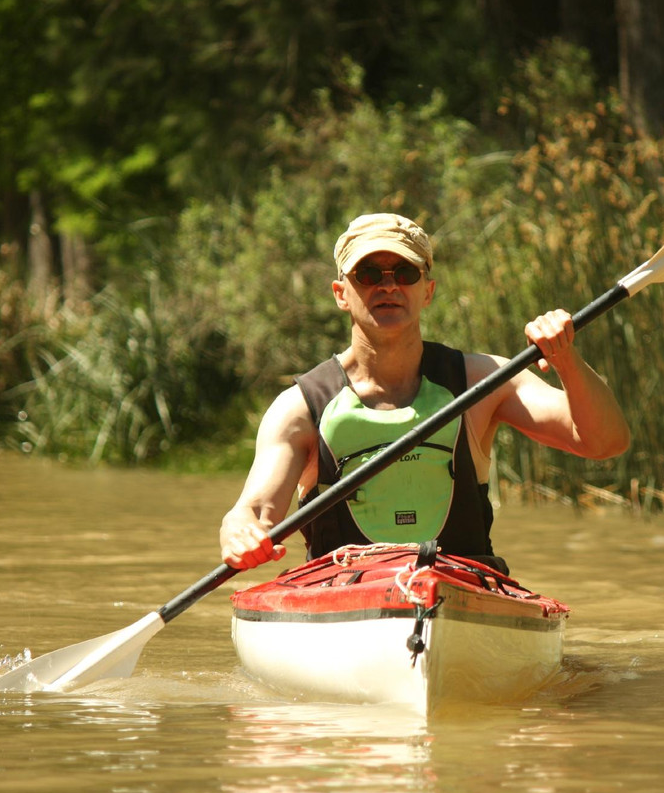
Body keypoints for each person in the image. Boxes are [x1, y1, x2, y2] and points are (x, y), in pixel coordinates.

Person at [220, 212, 629, 571]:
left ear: (427, 291)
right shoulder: (302, 406)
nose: (388, 286)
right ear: (341, 294)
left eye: (405, 273)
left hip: (462, 587)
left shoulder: (481, 380)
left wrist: (567, 360)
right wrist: (240, 535)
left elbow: (605, 442)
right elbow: (254, 512)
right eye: (368, 274)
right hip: (341, 594)